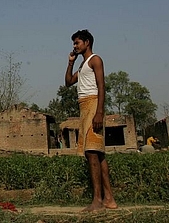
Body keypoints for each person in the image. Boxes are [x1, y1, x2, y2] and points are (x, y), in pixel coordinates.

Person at [65, 29, 117, 212]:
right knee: (97, 153)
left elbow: (102, 86)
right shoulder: (82, 65)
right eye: (74, 43)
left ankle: (97, 200)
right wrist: (70, 63)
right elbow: (68, 82)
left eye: (77, 42)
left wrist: (99, 112)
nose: (75, 46)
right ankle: (109, 199)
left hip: (94, 105)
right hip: (84, 107)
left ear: (87, 42)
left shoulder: (95, 59)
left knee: (92, 153)